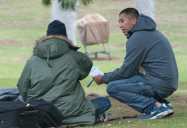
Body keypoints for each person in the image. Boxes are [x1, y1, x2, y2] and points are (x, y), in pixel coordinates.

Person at [17, 20, 111, 126]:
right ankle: (89, 116)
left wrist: (32, 103)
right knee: (104, 102)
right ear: (65, 36)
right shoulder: (75, 57)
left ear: (47, 36)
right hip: (71, 111)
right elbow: (86, 68)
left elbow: (22, 85)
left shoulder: (32, 61)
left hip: (43, 112)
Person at [93, 8, 178, 119]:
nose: (119, 25)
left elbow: (126, 71)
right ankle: (164, 104)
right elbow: (132, 71)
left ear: (133, 20)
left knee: (113, 88)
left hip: (160, 84)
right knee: (133, 76)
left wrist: (104, 78)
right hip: (167, 83)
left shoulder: (138, 37)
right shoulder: (147, 32)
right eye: (119, 22)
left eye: (122, 21)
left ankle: (155, 108)